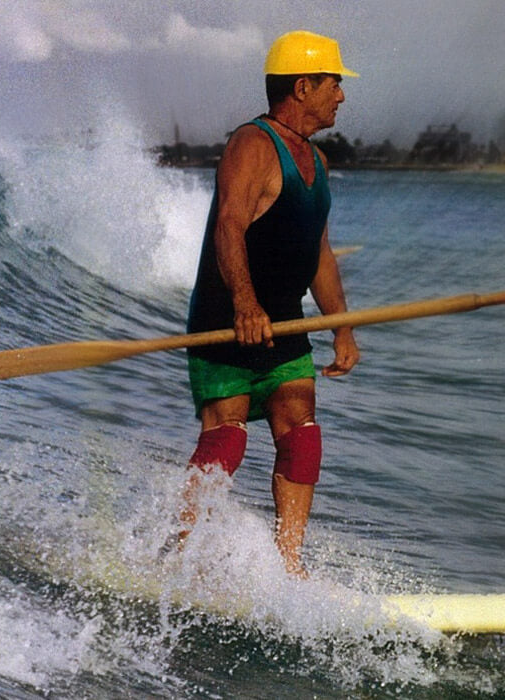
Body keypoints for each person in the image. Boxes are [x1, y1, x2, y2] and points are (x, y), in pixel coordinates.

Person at [177, 30, 360, 577]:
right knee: (227, 437)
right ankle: (174, 555)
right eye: (334, 84)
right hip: (227, 319)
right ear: (302, 87)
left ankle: (289, 568)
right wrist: (245, 305)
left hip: (284, 323)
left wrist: (341, 328)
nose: (341, 95)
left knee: (300, 428)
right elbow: (229, 228)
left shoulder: (318, 162)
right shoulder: (251, 145)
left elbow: (319, 253)